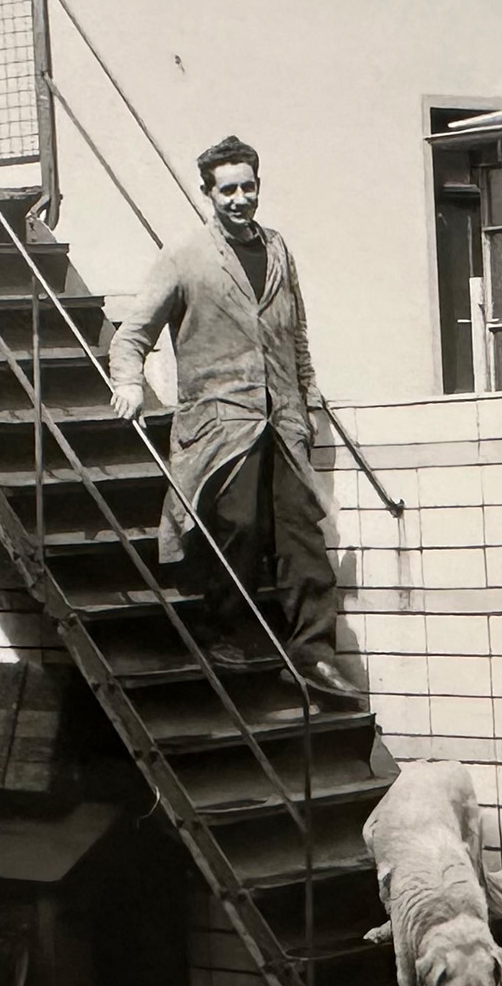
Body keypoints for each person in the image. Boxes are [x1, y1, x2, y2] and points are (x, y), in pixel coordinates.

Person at [108, 136, 367, 707]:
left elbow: (295, 332)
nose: (241, 198)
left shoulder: (278, 250)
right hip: (221, 427)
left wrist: (307, 395)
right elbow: (132, 336)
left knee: (303, 532)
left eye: (249, 186)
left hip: (283, 421)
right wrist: (128, 382)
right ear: (208, 193)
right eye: (228, 189)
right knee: (240, 528)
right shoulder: (184, 259)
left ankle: (314, 653)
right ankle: (224, 632)